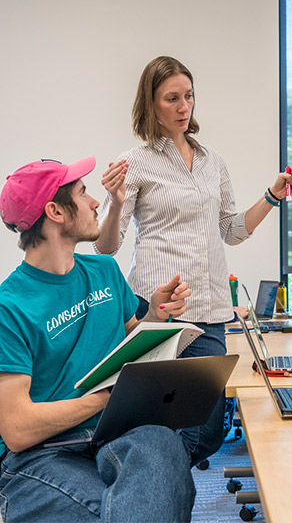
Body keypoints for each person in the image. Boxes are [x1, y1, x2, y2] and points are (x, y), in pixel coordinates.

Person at [94, 56, 292, 463]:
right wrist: (116, 203)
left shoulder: (213, 161)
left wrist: (273, 195)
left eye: (188, 96)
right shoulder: (134, 162)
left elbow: (232, 230)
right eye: (171, 98)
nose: (183, 107)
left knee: (208, 431)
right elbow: (106, 246)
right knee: (161, 421)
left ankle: (148, 477)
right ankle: (149, 484)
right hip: (160, 309)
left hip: (210, 310)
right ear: (150, 104)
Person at [0, 157, 196, 522]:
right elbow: (18, 428)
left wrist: (156, 316)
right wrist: (110, 396)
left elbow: (128, 336)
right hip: (44, 452)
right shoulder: (9, 306)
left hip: (117, 430)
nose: (94, 203)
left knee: (166, 445)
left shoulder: (105, 270)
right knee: (122, 510)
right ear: (56, 212)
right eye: (83, 192)